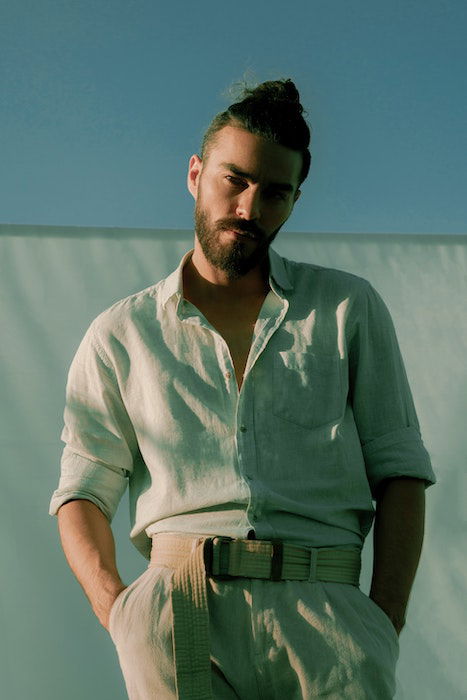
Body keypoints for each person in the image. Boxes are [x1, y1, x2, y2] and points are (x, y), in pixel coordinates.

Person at [49, 78, 436, 699]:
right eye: (235, 180)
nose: (249, 209)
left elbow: (400, 471)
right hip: (178, 615)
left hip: (330, 620)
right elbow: (82, 490)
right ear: (196, 173)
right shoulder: (121, 333)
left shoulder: (347, 308)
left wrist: (382, 619)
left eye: (275, 193)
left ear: (294, 201)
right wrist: (120, 612)